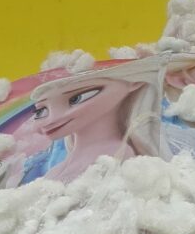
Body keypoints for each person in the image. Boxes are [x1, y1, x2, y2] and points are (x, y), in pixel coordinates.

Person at [22, 66, 159, 183]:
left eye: (76, 98)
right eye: (41, 111)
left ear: (134, 82)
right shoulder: (56, 169)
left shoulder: (115, 154)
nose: (51, 120)